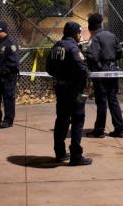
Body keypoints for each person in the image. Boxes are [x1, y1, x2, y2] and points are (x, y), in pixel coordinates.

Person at [46, 22, 92, 166]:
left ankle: (59, 153)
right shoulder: (73, 48)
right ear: (74, 33)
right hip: (74, 90)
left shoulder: (56, 46)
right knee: (78, 121)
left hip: (61, 88)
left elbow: (48, 68)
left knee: (61, 120)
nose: (80, 35)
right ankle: (76, 156)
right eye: (79, 32)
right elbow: (83, 70)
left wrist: (61, 76)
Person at [85, 13, 123, 138]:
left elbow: (93, 56)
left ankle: (99, 130)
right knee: (113, 100)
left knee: (101, 101)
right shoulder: (111, 35)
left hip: (101, 73)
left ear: (91, 27)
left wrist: (89, 63)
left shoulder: (96, 38)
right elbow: (119, 53)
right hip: (113, 71)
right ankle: (119, 129)